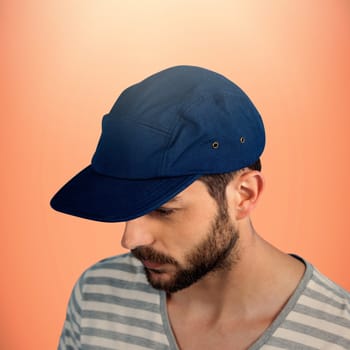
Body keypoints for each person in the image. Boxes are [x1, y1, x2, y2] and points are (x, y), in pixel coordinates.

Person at [51, 65, 350, 350]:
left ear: (244, 195)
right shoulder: (96, 294)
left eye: (164, 210)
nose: (130, 240)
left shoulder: (338, 333)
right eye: (128, 207)